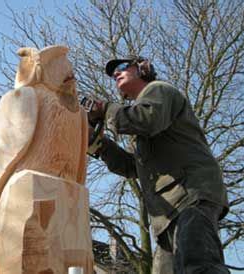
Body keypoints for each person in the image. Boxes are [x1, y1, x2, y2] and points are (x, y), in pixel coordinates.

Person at [87, 56, 230, 274]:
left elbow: (145, 120)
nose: (116, 73)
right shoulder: (142, 118)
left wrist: (106, 109)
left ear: (143, 68)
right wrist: (98, 144)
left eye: (123, 67)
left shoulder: (159, 90)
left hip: (190, 195)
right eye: (113, 73)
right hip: (167, 214)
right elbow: (132, 166)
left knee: (199, 267)